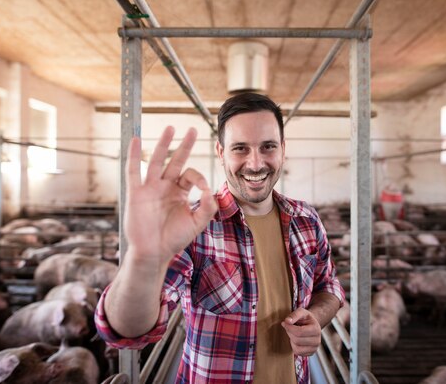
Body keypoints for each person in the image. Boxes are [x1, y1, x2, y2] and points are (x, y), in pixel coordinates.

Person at [95, 92, 345, 384]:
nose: (255, 163)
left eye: (268, 147)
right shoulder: (193, 226)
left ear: (283, 149)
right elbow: (127, 331)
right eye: (240, 148)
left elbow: (328, 286)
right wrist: (144, 258)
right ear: (220, 151)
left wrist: (316, 316)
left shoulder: (306, 220)